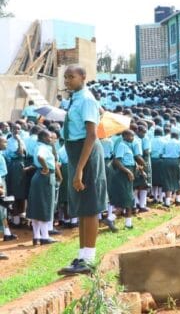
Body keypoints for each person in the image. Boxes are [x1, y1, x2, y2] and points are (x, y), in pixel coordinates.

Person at [58, 65, 108, 276]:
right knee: (81, 207)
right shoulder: (76, 99)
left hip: (85, 152)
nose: (67, 80)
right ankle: (81, 256)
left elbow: (91, 135)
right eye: (66, 77)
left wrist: (79, 169)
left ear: (83, 77)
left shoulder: (86, 99)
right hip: (75, 152)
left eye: (72, 77)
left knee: (90, 206)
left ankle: (89, 258)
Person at [27, 129, 60, 245]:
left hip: (38, 176)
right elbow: (41, 157)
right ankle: (45, 236)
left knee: (36, 207)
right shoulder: (43, 148)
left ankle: (36, 236)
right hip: (45, 177)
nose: (51, 139)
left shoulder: (39, 146)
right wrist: (45, 167)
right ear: (42, 138)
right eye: (49, 137)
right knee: (45, 206)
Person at [110, 131, 137, 229]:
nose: (133, 137)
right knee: (127, 199)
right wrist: (128, 171)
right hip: (123, 175)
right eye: (131, 135)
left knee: (129, 198)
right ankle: (110, 218)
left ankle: (128, 223)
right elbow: (117, 161)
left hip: (128, 173)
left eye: (133, 135)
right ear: (124, 136)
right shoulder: (121, 145)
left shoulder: (128, 146)